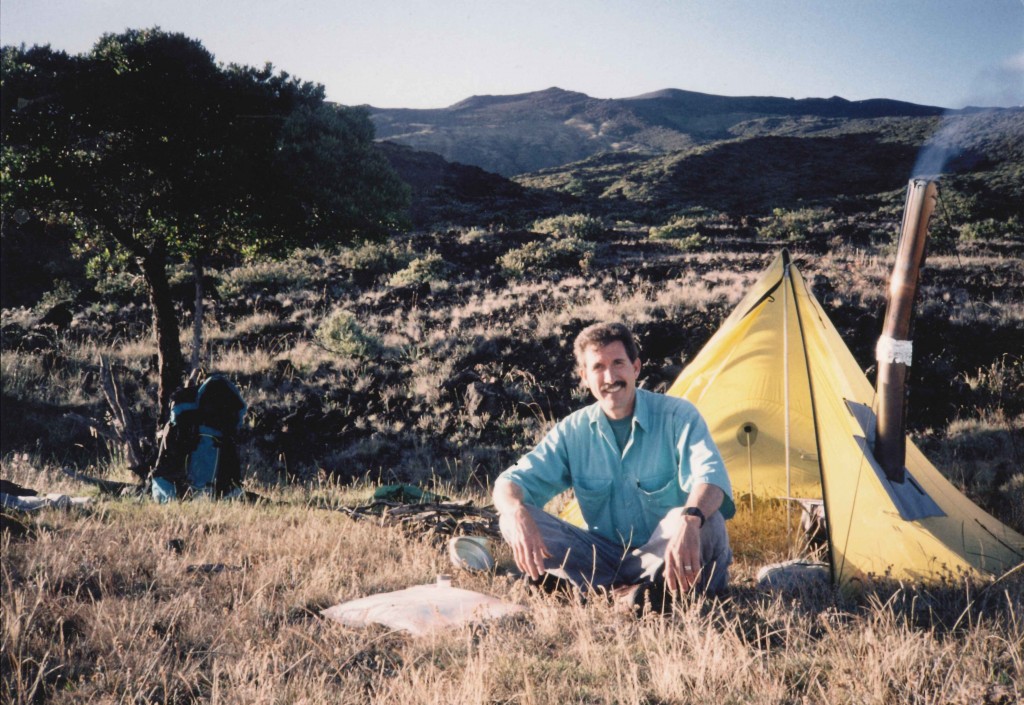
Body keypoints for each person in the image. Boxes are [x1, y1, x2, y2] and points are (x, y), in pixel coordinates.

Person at [493, 322, 734, 609]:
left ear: (635, 368)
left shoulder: (677, 416)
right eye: (598, 367)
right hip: (603, 558)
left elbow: (711, 479)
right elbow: (508, 483)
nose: (610, 376)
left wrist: (690, 521)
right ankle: (629, 595)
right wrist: (517, 511)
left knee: (706, 521)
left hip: (666, 551)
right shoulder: (573, 431)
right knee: (509, 516)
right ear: (584, 376)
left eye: (618, 363)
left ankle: (611, 593)